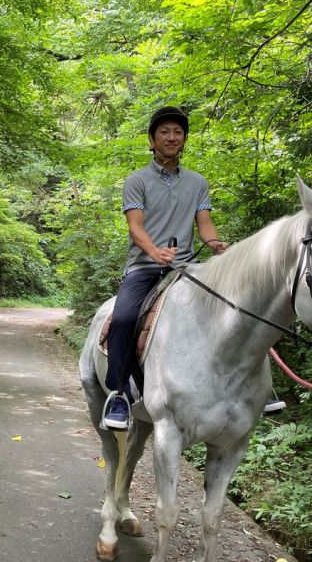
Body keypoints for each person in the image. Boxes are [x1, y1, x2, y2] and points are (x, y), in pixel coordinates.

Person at [103, 106, 229, 429]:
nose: (172, 137)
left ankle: (239, 387)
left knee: (229, 307)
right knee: (125, 318)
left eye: (178, 132)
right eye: (165, 132)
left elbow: (205, 224)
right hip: (144, 267)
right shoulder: (136, 181)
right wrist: (154, 252)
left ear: (184, 139)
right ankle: (118, 394)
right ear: (152, 139)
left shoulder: (197, 182)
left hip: (185, 269)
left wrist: (215, 243)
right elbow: (135, 227)